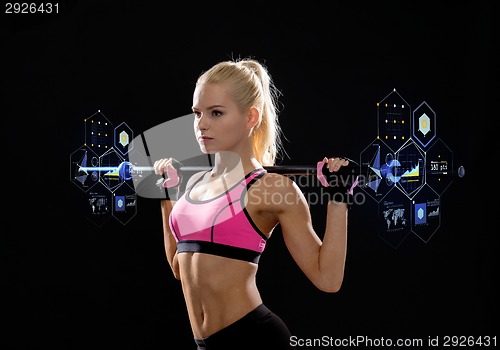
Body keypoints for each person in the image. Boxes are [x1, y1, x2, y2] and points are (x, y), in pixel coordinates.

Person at [153, 58, 353, 349]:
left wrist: (339, 197)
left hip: (253, 339)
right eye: (197, 113)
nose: (202, 124)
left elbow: (328, 278)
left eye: (216, 113)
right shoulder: (194, 187)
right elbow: (178, 268)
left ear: (251, 118)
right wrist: (168, 195)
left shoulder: (270, 188)